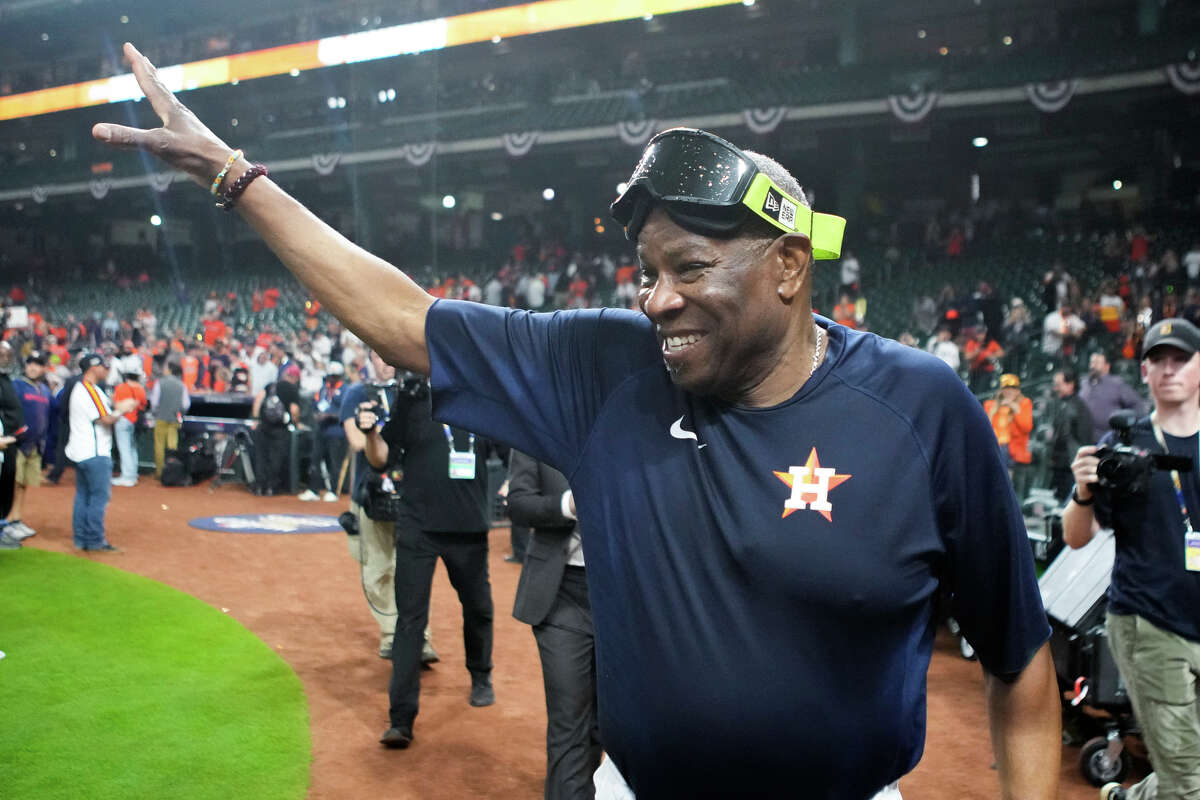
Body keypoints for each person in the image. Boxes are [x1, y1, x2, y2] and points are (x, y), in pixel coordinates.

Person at [96, 55, 1059, 798]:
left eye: (688, 266)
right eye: (646, 271)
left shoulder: (921, 409)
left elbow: (1018, 665)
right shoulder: (608, 368)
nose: (656, 299)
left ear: (789, 267)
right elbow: (399, 318)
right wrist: (233, 176)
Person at [1063, 318, 1200, 800]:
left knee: (1189, 772)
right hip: (1151, 623)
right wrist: (1082, 491)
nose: (1168, 369)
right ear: (1143, 372)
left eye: (1180, 358)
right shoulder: (1124, 447)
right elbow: (1077, 538)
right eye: (1158, 360)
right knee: (1188, 784)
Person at [363, 379, 500, 749]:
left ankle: (480, 674)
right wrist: (370, 432)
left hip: (469, 528)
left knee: (478, 608)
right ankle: (401, 719)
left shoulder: (483, 395)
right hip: (418, 527)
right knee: (410, 621)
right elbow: (381, 458)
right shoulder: (413, 401)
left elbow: (509, 449)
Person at [508, 450, 600, 800]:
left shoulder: (629, 427)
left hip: (622, 597)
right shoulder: (537, 427)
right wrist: (567, 505)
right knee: (569, 720)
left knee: (604, 725)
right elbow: (518, 504)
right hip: (560, 594)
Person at [338, 351, 438, 665]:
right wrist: (375, 431)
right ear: (370, 358)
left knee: (411, 570)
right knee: (376, 571)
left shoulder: (413, 393)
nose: (386, 363)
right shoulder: (357, 393)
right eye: (380, 357)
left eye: (391, 357)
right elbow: (355, 440)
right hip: (370, 495)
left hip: (410, 494)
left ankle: (416, 638)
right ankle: (391, 633)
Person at [66, 353, 137, 552]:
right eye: (102, 366)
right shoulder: (88, 389)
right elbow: (105, 419)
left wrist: (119, 406)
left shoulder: (87, 389)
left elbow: (105, 410)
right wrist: (122, 410)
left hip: (82, 451)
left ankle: (81, 540)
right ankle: (95, 541)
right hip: (94, 453)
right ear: (91, 368)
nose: (106, 370)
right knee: (98, 497)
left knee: (83, 496)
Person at [6, 352, 52, 542]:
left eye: (37, 364)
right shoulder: (16, 385)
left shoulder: (44, 390)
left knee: (23, 485)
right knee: (12, 484)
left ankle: (16, 519)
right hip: (18, 443)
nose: (33, 367)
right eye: (30, 363)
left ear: (43, 368)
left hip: (35, 445)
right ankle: (7, 522)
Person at [298, 363, 346, 502]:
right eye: (330, 377)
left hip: (336, 432)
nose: (331, 379)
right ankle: (314, 489)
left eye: (334, 377)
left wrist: (329, 416)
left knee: (334, 462)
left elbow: (346, 411)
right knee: (315, 459)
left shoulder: (345, 389)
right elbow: (315, 404)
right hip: (321, 430)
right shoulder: (324, 389)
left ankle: (333, 491)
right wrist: (316, 415)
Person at [983, 374, 1034, 503]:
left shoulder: (1024, 404)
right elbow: (984, 426)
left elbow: (1026, 427)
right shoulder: (990, 405)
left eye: (1013, 388)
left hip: (1012, 449)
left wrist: (1014, 407)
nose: (1009, 391)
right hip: (994, 446)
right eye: (1006, 388)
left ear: (1018, 390)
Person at [251, 363, 300, 496]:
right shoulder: (292, 389)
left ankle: (260, 486)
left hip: (263, 427)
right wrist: (297, 423)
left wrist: (256, 419)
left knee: (261, 457)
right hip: (280, 429)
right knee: (276, 458)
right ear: (295, 378)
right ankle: (271, 487)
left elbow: (258, 400)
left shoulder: (271, 386)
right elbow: (294, 410)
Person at [1047, 367, 1094, 503]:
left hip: (1070, 463)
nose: (1055, 388)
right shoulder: (1061, 404)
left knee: (1067, 497)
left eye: (1059, 385)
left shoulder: (1078, 407)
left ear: (1070, 384)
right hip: (1060, 461)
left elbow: (1083, 436)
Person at [1080, 350, 1147, 444]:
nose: (1093, 366)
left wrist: (1129, 427)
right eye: (1091, 362)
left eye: (1097, 363)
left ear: (1107, 366)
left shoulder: (1117, 384)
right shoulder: (1084, 383)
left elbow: (1137, 405)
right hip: (1084, 439)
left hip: (1108, 440)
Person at [149, 361, 190, 479]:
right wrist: (179, 412)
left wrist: (156, 412)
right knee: (172, 445)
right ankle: (172, 471)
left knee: (159, 446)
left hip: (161, 418)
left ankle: (160, 473)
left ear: (170, 370)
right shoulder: (181, 385)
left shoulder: (160, 383)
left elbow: (154, 402)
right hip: (174, 419)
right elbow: (185, 404)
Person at [111, 371, 147, 487]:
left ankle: (127, 477)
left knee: (125, 449)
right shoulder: (141, 389)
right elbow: (143, 404)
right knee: (131, 448)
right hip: (134, 421)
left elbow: (116, 405)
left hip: (122, 419)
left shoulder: (121, 387)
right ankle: (132, 474)